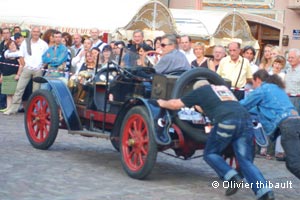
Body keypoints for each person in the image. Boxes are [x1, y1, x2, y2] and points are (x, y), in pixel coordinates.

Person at [157, 80, 274, 200]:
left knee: (210, 153)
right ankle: (265, 192)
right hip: (246, 121)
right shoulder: (223, 89)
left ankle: (232, 177)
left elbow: (175, 104)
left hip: (226, 121)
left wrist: (161, 102)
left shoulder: (199, 91)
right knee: (245, 161)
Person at [240, 69, 300, 179]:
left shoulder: (262, 89)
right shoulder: (277, 88)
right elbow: (257, 109)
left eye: (253, 83)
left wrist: (228, 104)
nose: (253, 86)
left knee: (294, 164)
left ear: (257, 80)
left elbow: (244, 105)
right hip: (296, 121)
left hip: (287, 125)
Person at [4, 26, 48, 115]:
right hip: (27, 68)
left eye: (37, 31)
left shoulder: (43, 44)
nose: (36, 33)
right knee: (19, 89)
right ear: (31, 32)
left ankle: (35, 110)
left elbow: (47, 57)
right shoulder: (25, 43)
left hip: (38, 69)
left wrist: (42, 66)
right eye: (34, 31)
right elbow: (21, 54)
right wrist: (24, 65)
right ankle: (13, 109)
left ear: (40, 33)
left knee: (36, 91)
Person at [0, 40, 24, 111]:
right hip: (6, 76)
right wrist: (2, 75)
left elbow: (21, 65)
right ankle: (8, 107)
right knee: (8, 93)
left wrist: (18, 74)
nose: (12, 46)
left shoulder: (19, 54)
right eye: (10, 45)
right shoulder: (6, 54)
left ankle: (13, 108)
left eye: (13, 44)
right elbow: (2, 65)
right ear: (8, 47)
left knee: (14, 93)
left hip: (14, 76)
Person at [285, 48, 300, 113]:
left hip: (297, 100)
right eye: (289, 58)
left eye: (292, 58)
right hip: (287, 99)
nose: (290, 60)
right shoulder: (288, 70)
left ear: (299, 58)